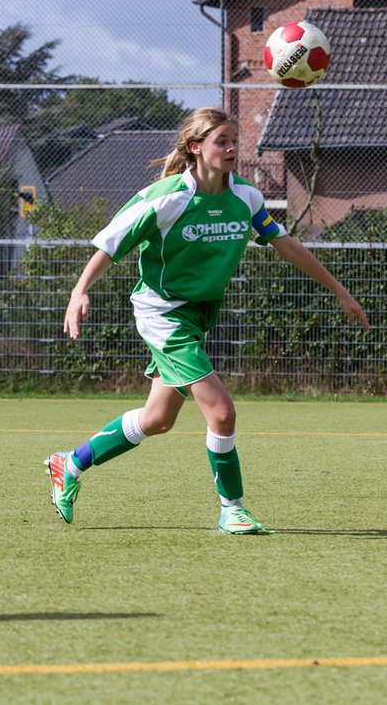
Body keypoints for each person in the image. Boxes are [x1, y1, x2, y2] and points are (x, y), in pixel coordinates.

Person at [45, 107, 369, 534]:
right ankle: (232, 508)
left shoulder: (247, 197)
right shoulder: (166, 197)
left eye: (235, 139)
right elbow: (111, 245)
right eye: (222, 141)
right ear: (196, 147)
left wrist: (340, 292)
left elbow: (287, 246)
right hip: (163, 313)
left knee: (158, 418)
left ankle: (69, 463)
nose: (232, 148)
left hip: (198, 315)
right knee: (221, 410)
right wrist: (79, 290)